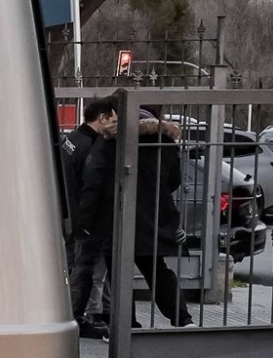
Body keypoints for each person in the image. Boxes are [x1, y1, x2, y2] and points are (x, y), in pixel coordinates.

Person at [130, 110, 193, 328]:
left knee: (118, 271)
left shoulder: (120, 142)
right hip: (155, 213)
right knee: (157, 270)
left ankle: (127, 323)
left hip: (123, 212)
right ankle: (182, 318)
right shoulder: (166, 144)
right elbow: (175, 179)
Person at [62, 99, 118, 338]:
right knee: (82, 272)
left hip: (69, 216)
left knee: (76, 270)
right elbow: (89, 187)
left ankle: (74, 315)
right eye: (114, 120)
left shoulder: (72, 140)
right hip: (82, 220)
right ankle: (76, 317)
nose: (116, 126)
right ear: (102, 118)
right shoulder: (91, 146)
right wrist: (84, 223)